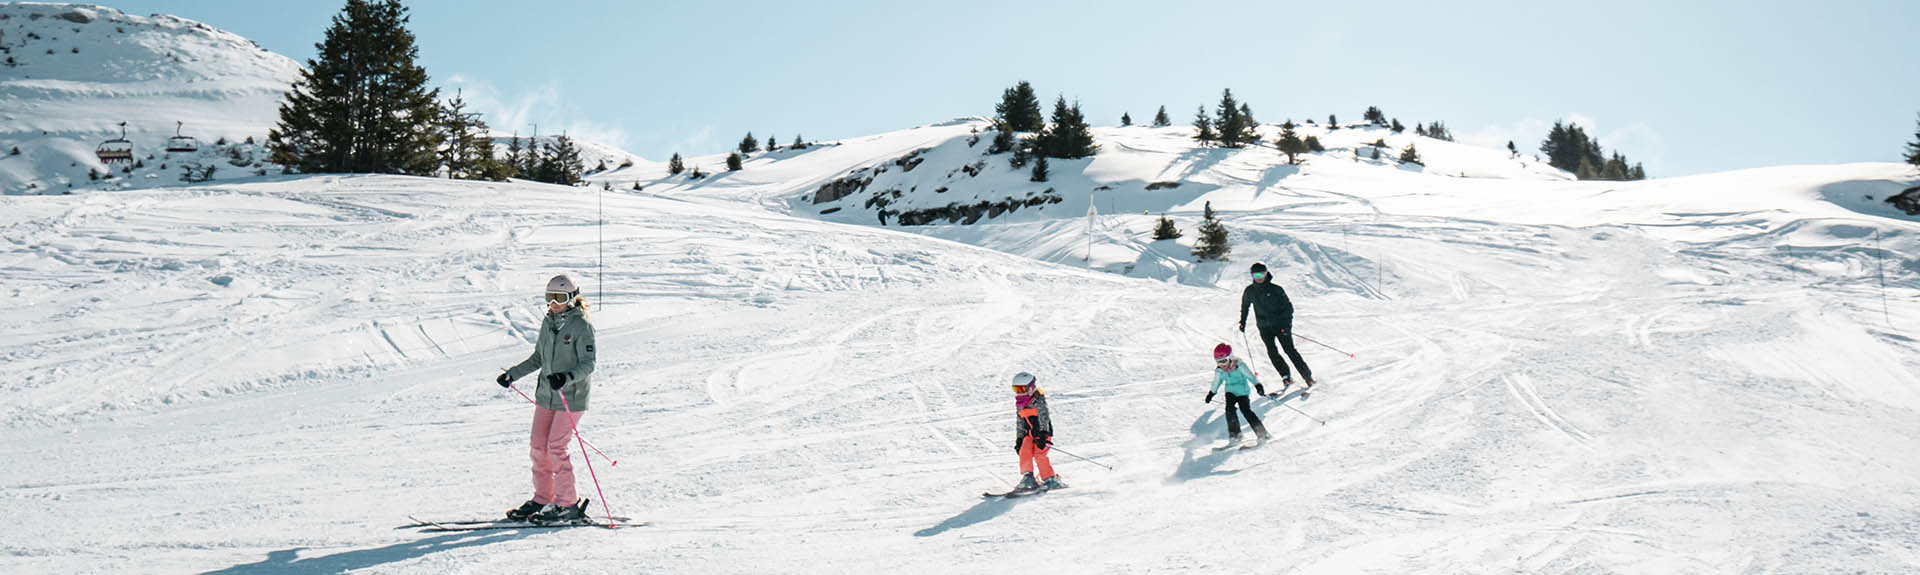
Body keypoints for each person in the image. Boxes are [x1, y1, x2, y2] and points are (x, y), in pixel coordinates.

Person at [494, 274, 598, 524]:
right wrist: (512, 374)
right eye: (549, 297)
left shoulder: (581, 326)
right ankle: (543, 497)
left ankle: (567, 503)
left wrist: (566, 377)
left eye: (559, 298)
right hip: (546, 395)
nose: (553, 303)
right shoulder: (549, 322)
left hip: (571, 397)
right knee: (538, 447)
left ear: (572, 298)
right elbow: (538, 358)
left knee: (557, 447)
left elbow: (588, 364)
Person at [1237, 261, 1314, 391]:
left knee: (1290, 350)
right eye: (1256, 276)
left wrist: (1286, 326)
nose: (1259, 278)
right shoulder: (1249, 291)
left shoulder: (1276, 289)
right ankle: (1285, 376)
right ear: (1252, 276)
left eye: (1261, 275)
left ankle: (1308, 377)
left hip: (1281, 326)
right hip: (1264, 327)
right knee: (1272, 352)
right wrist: (1242, 321)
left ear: (1266, 274)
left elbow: (1288, 308)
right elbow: (1245, 306)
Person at [1206, 343, 1270, 447]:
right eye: (1218, 362)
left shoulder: (1239, 366)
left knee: (1246, 411)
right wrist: (1211, 393)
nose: (1222, 364)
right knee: (1229, 410)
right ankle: (1235, 435)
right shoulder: (1219, 371)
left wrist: (1258, 385)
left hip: (1242, 392)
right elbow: (1216, 382)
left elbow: (1250, 375)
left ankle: (1262, 433)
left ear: (1230, 357)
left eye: (1223, 361)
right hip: (1230, 392)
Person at [1010, 372, 1063, 492]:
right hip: (1028, 434)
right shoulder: (1020, 404)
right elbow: (1020, 421)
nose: (1019, 392)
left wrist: (1043, 434)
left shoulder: (1038, 400)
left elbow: (1044, 417)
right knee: (1024, 451)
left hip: (1043, 434)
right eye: (1016, 389)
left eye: (1021, 389)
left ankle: (1050, 479)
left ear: (1031, 387)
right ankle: (1028, 476)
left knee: (1040, 454)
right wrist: (1019, 439)